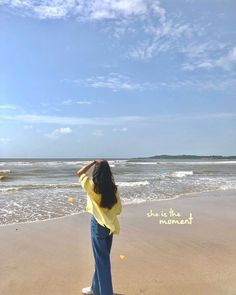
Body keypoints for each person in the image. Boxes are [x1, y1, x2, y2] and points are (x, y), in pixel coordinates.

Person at [76, 159, 122, 295]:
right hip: (110, 226)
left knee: (102, 261)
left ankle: (106, 292)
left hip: (97, 225)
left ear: (96, 172)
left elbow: (79, 173)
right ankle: (94, 288)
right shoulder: (113, 190)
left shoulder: (92, 187)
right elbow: (118, 210)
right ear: (109, 173)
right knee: (102, 259)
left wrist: (92, 163)